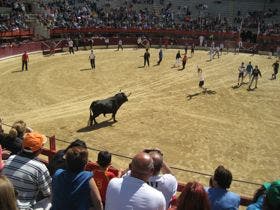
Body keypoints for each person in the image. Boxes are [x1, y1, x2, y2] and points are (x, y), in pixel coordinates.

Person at [2, 132, 52, 209]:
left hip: (7, 205)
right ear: (40, 150)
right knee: (51, 199)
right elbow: (48, 192)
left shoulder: (11, 158)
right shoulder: (40, 167)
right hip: (25, 207)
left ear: (22, 146)